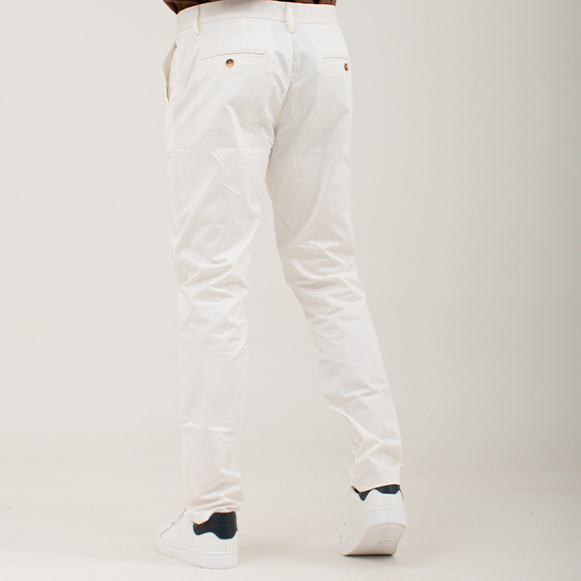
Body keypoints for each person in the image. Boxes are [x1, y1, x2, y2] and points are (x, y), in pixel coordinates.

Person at [154, 0, 407, 569]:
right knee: (331, 271)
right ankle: (380, 488)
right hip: (322, 43)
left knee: (212, 279)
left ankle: (210, 518)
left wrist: (195, 32)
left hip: (227, 40)